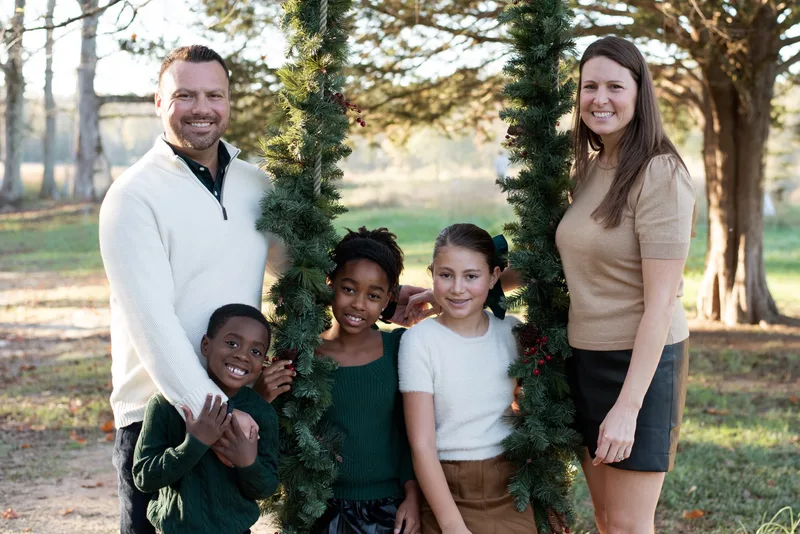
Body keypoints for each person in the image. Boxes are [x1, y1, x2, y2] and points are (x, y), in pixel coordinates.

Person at [99, 44, 428, 533]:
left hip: (238, 416)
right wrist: (217, 416)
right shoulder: (133, 198)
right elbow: (153, 328)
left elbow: (304, 268)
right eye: (185, 95)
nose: (201, 108)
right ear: (158, 101)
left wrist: (385, 297)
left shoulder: (255, 186)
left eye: (214, 94)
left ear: (229, 100)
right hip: (164, 418)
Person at [554, 37, 695, 533]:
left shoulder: (660, 172)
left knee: (630, 526)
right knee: (606, 519)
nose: (600, 98)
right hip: (585, 358)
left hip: (641, 366)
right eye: (590, 86)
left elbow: (660, 304)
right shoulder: (592, 168)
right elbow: (571, 252)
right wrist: (473, 286)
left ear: (640, 94)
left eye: (615, 86)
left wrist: (628, 408)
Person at [398, 223, 537, 534]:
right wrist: (452, 526)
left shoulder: (511, 333)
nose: (457, 288)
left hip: (508, 486)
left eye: (471, 276)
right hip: (447, 490)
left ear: (494, 277)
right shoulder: (421, 341)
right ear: (432, 273)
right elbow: (421, 444)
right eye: (446, 275)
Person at [308, 227, 421, 534]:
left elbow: (410, 432)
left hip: (391, 508)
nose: (359, 304)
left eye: (373, 295)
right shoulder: (306, 356)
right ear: (330, 284)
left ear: (388, 300)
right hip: (324, 508)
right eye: (348, 289)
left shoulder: (399, 349)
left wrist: (413, 497)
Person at [132, 303, 279, 534]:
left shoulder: (261, 413)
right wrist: (194, 444)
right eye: (232, 343)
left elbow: (266, 487)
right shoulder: (166, 404)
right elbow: (143, 477)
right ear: (206, 345)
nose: (242, 355)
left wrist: (248, 463)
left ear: (263, 362)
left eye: (256, 351)